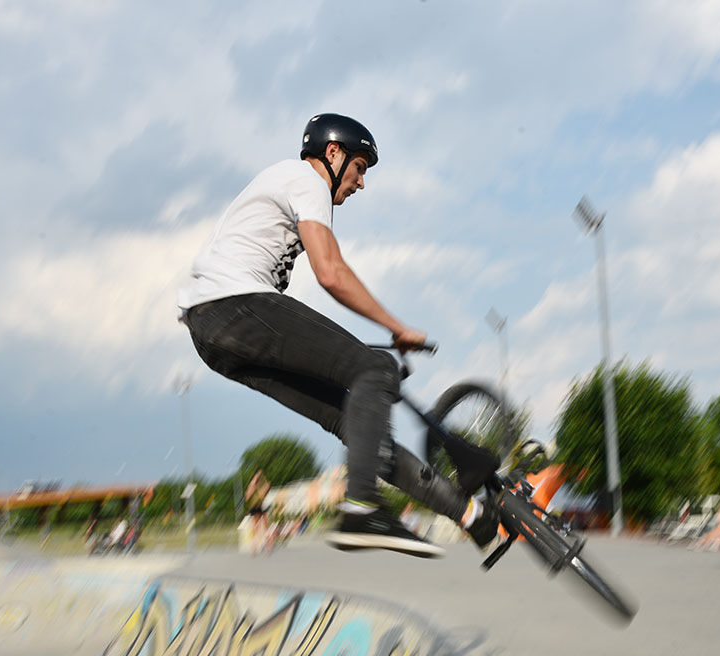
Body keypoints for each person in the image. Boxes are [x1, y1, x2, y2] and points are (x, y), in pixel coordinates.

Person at [178, 114, 498, 558]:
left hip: (213, 335)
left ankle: (464, 513)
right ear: (332, 154)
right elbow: (330, 272)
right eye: (360, 167)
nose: (361, 183)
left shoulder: (283, 185)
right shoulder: (305, 179)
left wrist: (472, 517)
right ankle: (363, 508)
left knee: (356, 423)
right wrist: (396, 327)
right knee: (375, 366)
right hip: (232, 305)